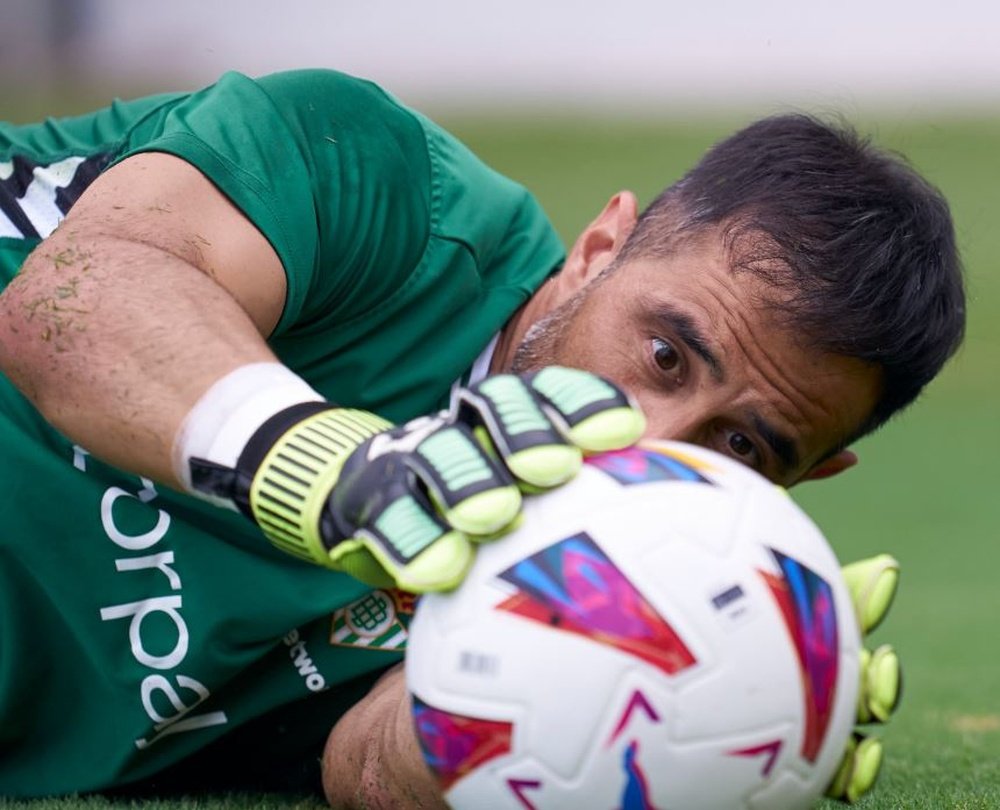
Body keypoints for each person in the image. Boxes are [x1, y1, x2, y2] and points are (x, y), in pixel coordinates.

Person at [0, 68, 963, 806]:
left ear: (808, 479)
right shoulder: (381, 183)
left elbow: (369, 771)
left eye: (743, 448)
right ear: (597, 252)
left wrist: (685, 726)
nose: (645, 439)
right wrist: (343, 474)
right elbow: (74, 301)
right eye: (667, 355)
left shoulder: (610, 585)